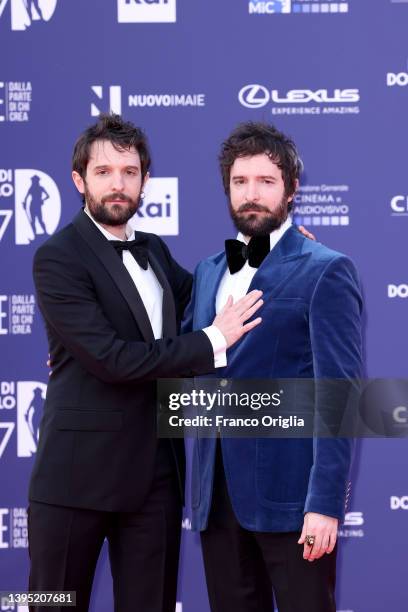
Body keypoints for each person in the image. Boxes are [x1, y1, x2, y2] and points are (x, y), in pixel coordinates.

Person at [28, 114, 263, 612]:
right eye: (104, 171)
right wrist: (210, 341)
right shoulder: (57, 258)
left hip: (155, 479)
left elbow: (210, 293)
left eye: (129, 172)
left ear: (145, 181)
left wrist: (274, 251)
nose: (118, 184)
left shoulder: (154, 249)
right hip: (75, 481)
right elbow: (112, 359)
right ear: (79, 180)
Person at [183, 122, 363, 612]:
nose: (252, 194)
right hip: (216, 499)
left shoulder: (326, 268)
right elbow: (177, 354)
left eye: (266, 181)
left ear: (291, 190)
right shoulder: (207, 272)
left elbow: (339, 394)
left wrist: (324, 502)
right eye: (240, 182)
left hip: (292, 502)